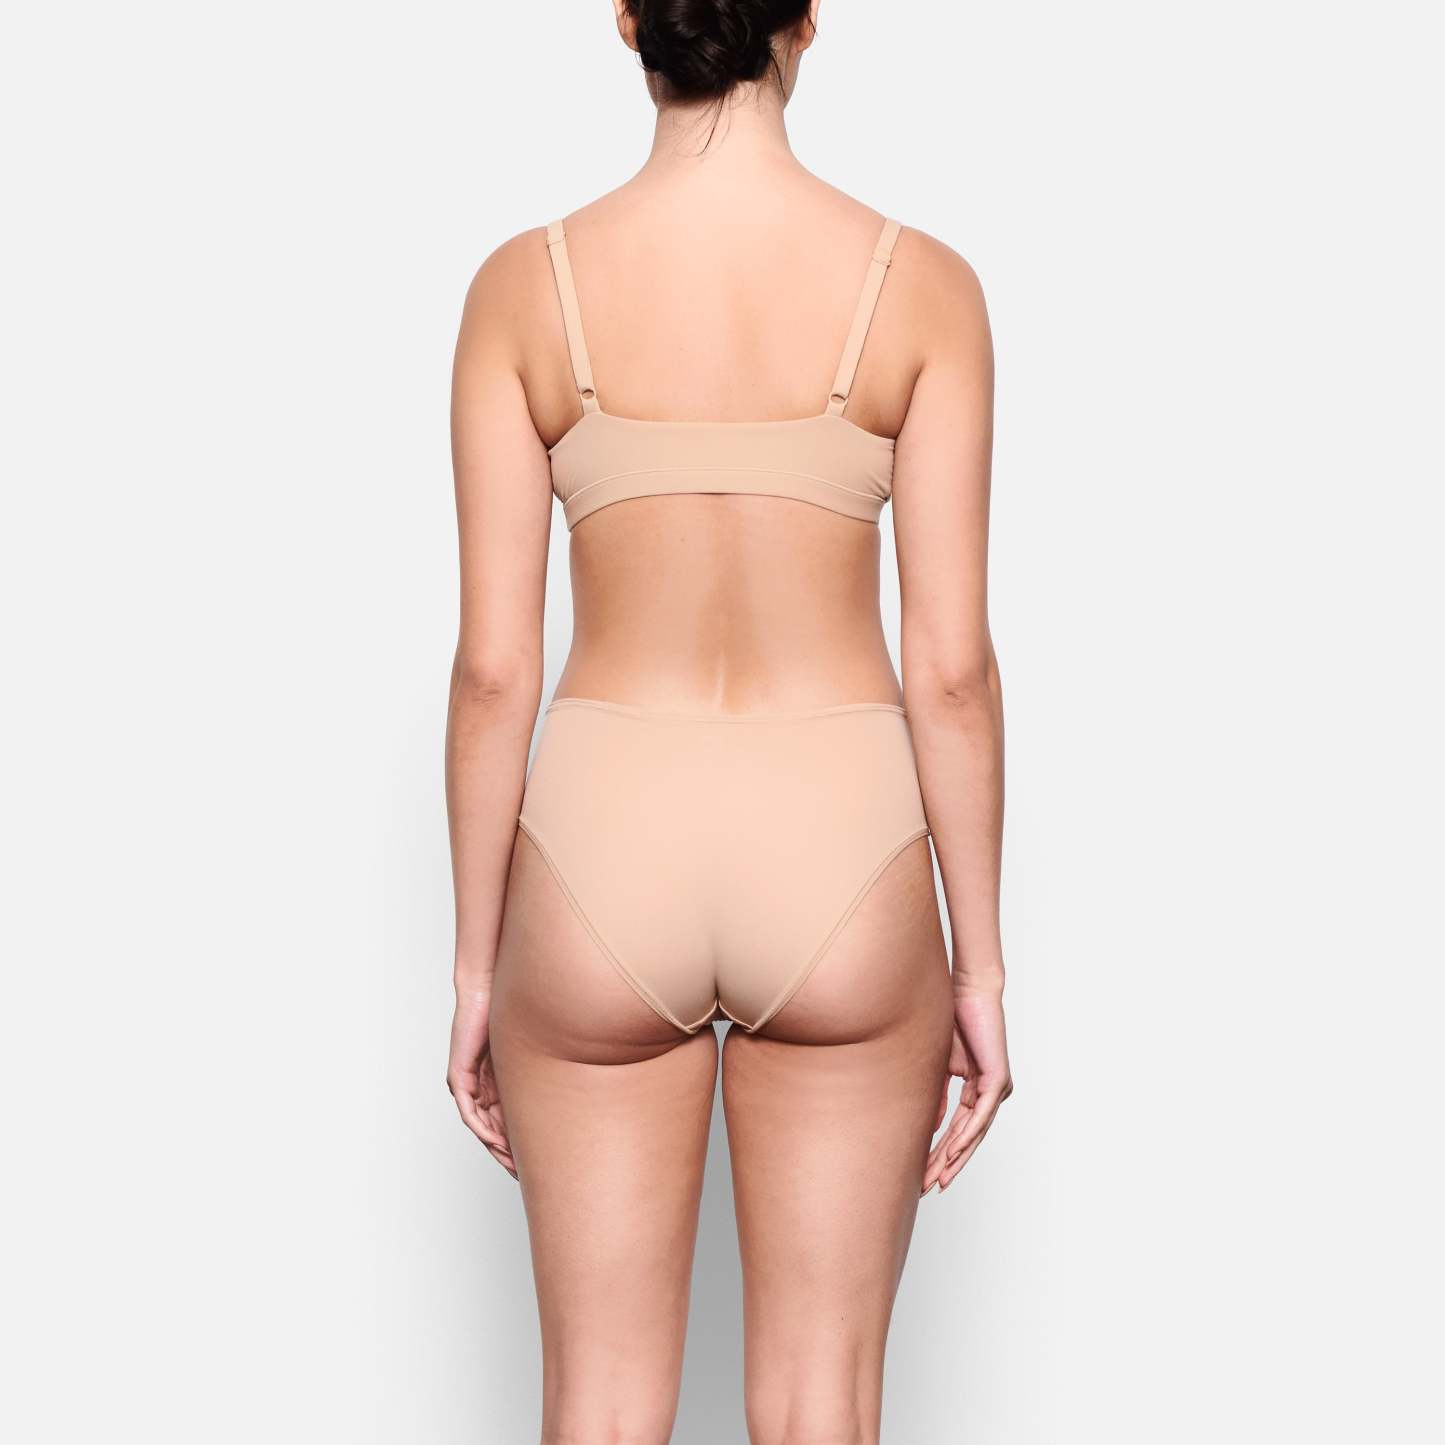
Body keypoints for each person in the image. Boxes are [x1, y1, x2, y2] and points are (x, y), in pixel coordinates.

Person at [444, 3, 1012, 1440]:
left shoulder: (524, 289)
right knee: (822, 1409)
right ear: (806, 21)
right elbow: (949, 668)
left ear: (628, 20)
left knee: (597, 1408)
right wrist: (982, 966)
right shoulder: (919, 286)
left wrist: (475, 969)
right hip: (839, 853)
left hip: (599, 858)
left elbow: (495, 670)